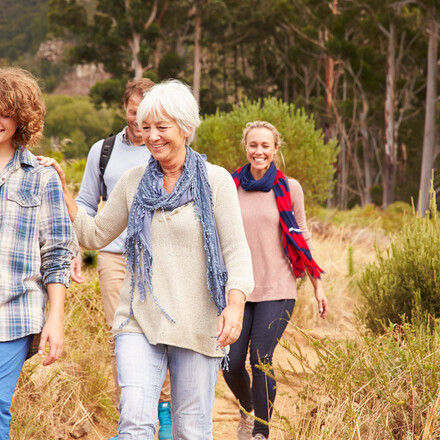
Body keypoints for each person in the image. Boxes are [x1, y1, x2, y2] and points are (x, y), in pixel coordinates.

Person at [40, 79, 255, 440]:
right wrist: (63, 191)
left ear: (185, 128)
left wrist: (235, 305)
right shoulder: (133, 181)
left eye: (161, 127)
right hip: (138, 319)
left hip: (197, 322)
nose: (151, 136)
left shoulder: (216, 182)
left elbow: (236, 251)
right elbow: (93, 234)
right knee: (135, 423)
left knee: (191, 430)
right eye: (145, 126)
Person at [65, 78, 174, 440]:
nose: (141, 125)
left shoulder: (165, 147)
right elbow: (85, 204)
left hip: (160, 258)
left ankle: (164, 412)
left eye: (147, 116)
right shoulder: (104, 151)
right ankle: (129, 419)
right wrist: (76, 248)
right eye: (133, 114)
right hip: (113, 255)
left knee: (162, 331)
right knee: (121, 337)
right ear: (124, 109)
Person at [223, 121, 328, 440]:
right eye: (253, 145)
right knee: (231, 363)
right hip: (238, 290)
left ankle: (261, 433)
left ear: (275, 150)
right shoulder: (230, 185)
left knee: (261, 359)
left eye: (265, 146)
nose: (259, 151)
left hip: (278, 287)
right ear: (246, 147)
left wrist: (317, 283)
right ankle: (248, 408)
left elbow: (301, 235)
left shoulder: (289, 188)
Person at [0, 67, 77, 440]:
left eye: (7, 111)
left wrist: (55, 318)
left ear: (21, 117)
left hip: (15, 312)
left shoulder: (41, 176)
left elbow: (58, 252)